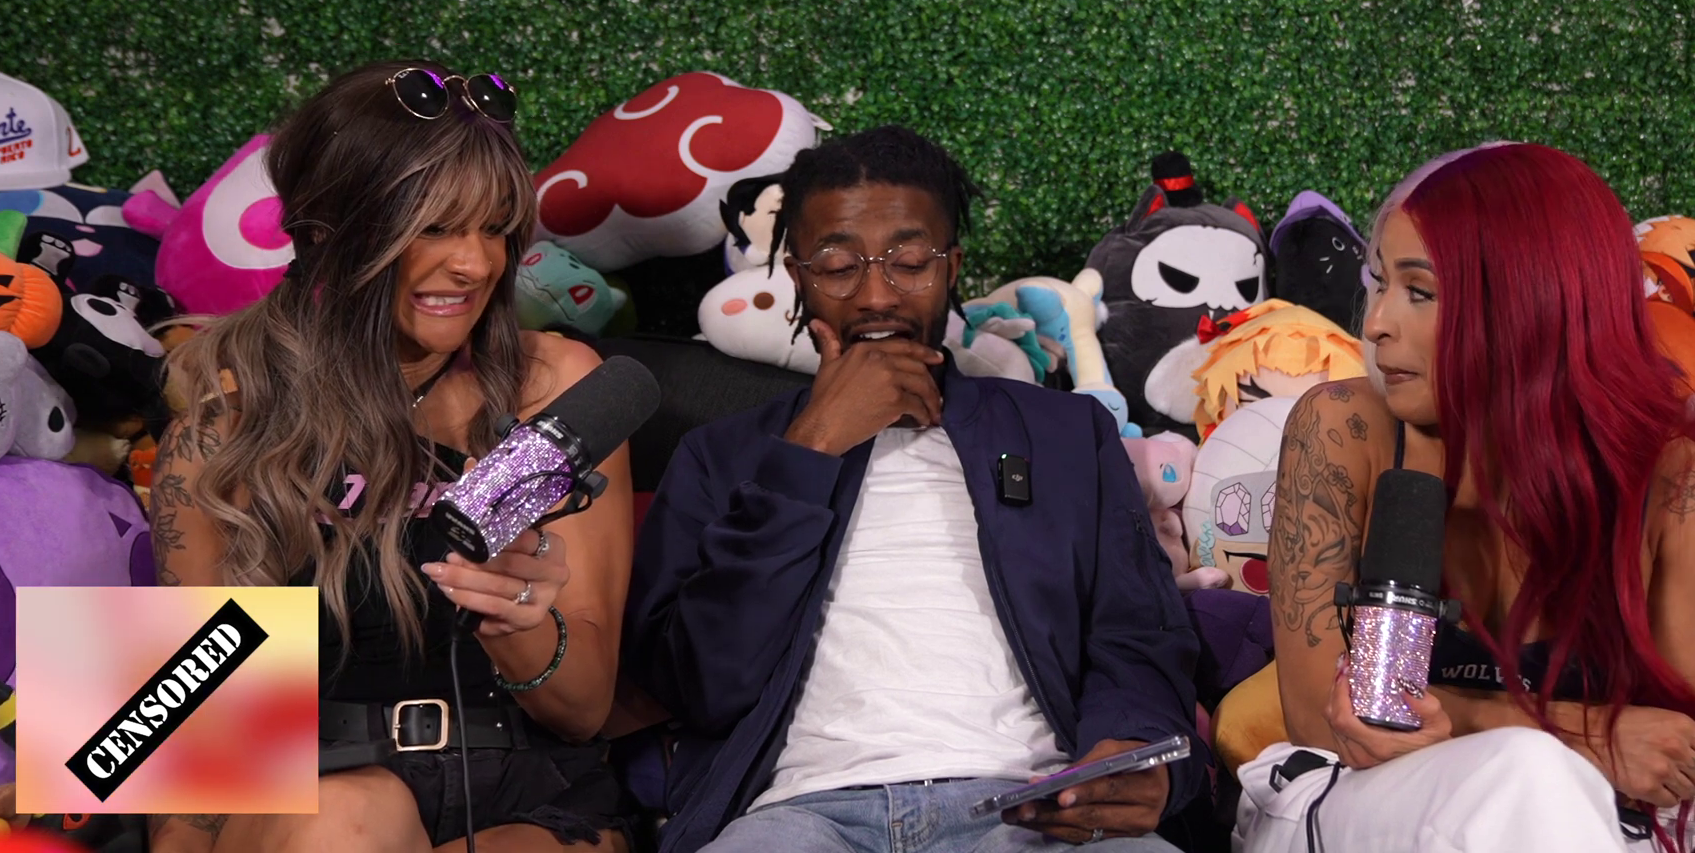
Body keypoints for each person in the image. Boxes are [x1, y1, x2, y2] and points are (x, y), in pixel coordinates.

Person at [624, 125, 1202, 853]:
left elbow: (1139, 631)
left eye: (908, 262)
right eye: (838, 265)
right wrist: (810, 449)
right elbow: (700, 685)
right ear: (796, 275)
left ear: (952, 267)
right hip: (798, 819)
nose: (876, 295)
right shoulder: (719, 457)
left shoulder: (1064, 435)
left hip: (1026, 811)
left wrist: (1135, 748)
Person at [146, 61, 635, 852]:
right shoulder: (224, 427)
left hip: (521, 786)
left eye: (495, 228)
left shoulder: (554, 387)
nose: (476, 264)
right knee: (347, 821)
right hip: (313, 793)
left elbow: (583, 710)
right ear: (328, 232)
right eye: (434, 227)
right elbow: (199, 740)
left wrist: (509, 614)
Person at [1238, 143, 1695, 853]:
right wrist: (1580, 736)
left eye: (1419, 292)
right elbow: (1319, 713)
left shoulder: (1685, 491)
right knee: (1528, 768)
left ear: (1530, 305)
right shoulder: (1342, 430)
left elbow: (1664, 758)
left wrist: (1473, 722)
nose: (1376, 322)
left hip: (1582, 827)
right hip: (1364, 802)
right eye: (1380, 283)